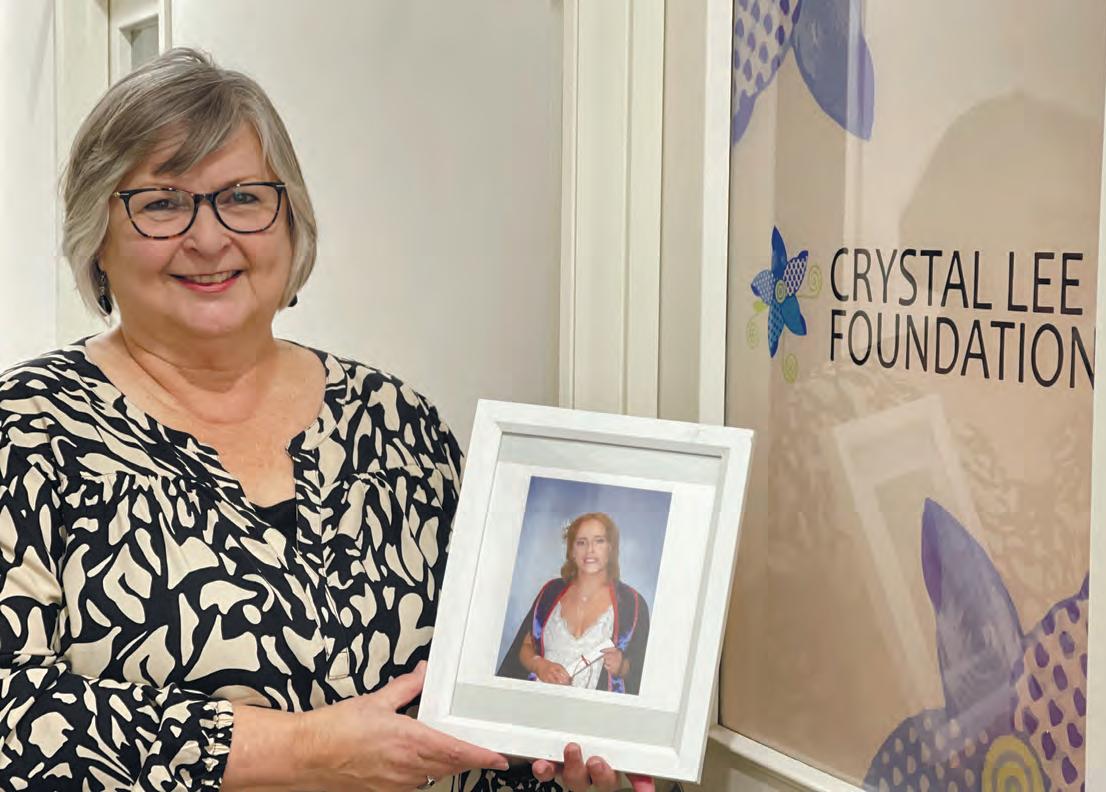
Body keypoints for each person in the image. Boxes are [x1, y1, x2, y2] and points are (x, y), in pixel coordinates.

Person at [0, 48, 649, 792]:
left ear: (290, 222)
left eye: (243, 198)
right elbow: (14, 715)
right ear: (98, 238)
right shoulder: (26, 432)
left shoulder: (400, 425)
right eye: (162, 204)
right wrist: (309, 749)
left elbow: (481, 695)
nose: (208, 238)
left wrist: (560, 770)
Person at [499, 513, 650, 695]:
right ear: (572, 551)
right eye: (581, 542)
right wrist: (540, 665)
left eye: (599, 541)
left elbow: (645, 670)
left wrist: (622, 667)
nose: (590, 550)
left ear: (610, 548)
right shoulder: (550, 593)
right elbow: (525, 647)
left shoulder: (631, 604)